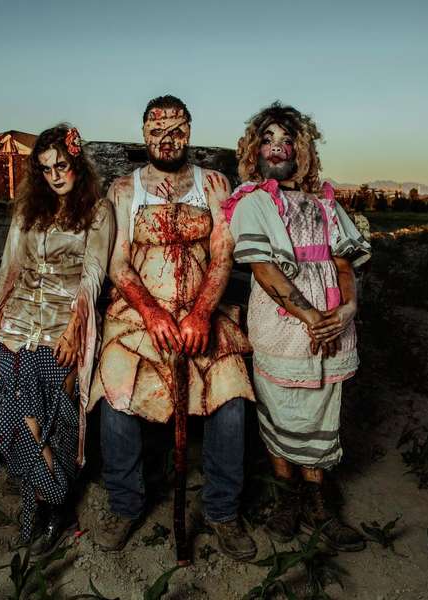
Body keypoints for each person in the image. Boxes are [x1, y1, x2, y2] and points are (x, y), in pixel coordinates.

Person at [89, 95, 257, 561]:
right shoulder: (124, 190)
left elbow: (222, 255)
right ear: (144, 135)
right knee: (116, 396)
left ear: (189, 132)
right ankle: (124, 505)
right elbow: (118, 264)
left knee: (231, 401)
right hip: (139, 317)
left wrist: (201, 312)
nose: (167, 140)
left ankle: (222, 511)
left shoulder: (214, 185)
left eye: (177, 131)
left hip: (203, 314)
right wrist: (152, 313)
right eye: (157, 132)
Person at [223, 102, 371, 552]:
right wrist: (310, 317)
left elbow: (344, 263)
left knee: (322, 410)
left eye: (286, 140)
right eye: (267, 139)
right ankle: (287, 498)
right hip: (282, 325)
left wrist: (347, 309)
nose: (277, 147)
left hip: (331, 325)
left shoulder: (324, 203)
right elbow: (264, 268)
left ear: (301, 150)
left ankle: (319, 505)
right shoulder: (252, 201)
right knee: (278, 409)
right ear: (254, 149)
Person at [0, 124, 115, 550]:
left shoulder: (98, 210)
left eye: (61, 165)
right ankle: (41, 502)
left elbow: (94, 274)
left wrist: (76, 329)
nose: (55, 175)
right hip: (18, 325)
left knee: (57, 423)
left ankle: (56, 506)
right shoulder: (29, 209)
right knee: (23, 420)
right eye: (45, 169)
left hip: (63, 326)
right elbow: (10, 266)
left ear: (77, 164)